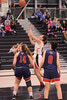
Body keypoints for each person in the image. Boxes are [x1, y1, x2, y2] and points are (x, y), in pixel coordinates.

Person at [28, 25, 47, 91]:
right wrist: (30, 37)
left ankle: (42, 83)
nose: (40, 36)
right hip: (36, 57)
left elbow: (33, 36)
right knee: (36, 72)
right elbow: (31, 42)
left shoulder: (40, 41)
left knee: (36, 72)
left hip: (37, 57)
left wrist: (30, 29)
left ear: (42, 39)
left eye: (41, 36)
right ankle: (46, 79)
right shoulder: (38, 42)